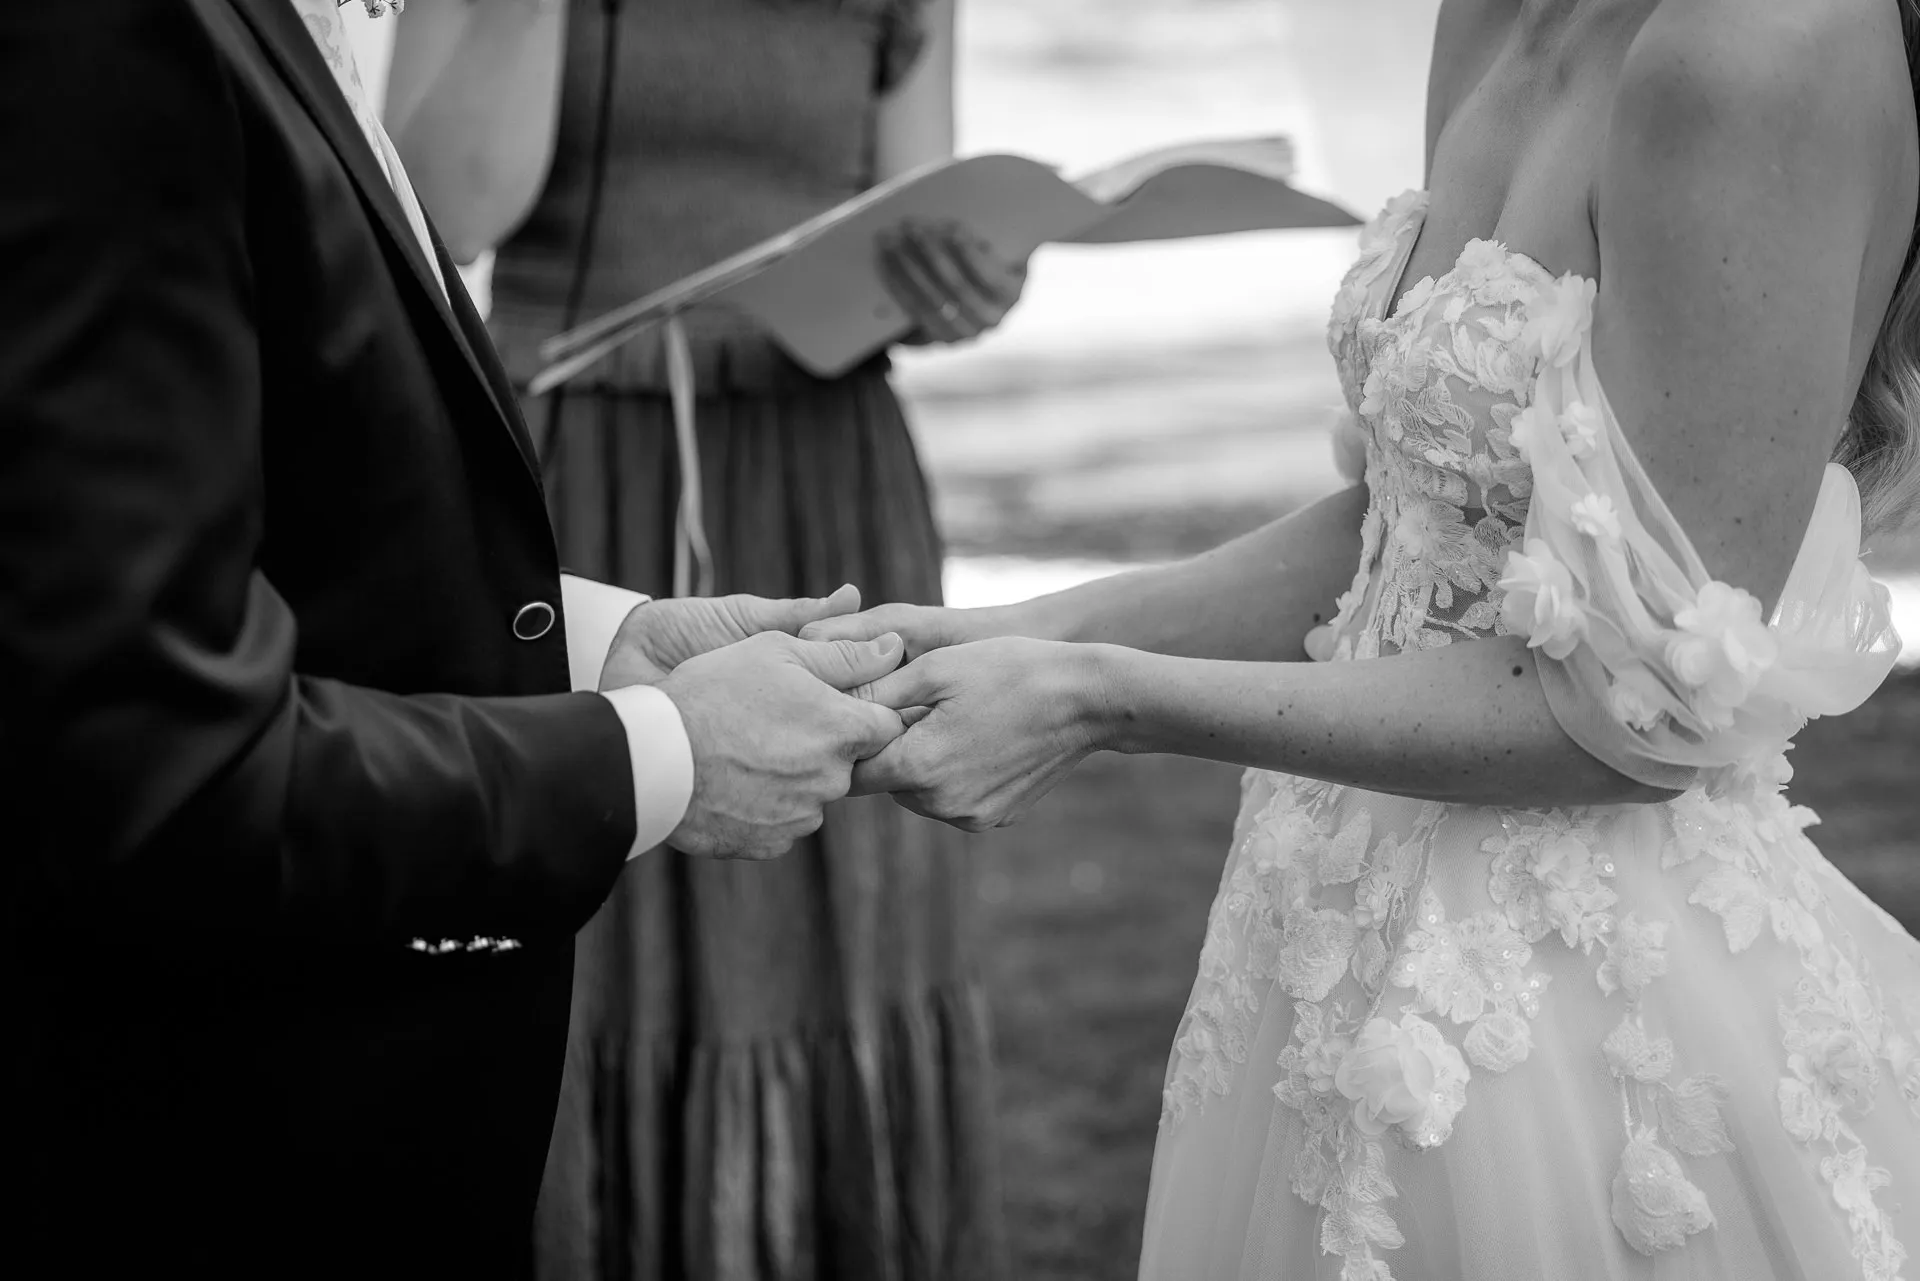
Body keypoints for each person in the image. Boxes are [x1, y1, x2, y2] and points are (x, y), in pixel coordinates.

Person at [806, 0, 1920, 1276]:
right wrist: (1017, 632)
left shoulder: (1763, 45)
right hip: (1317, 930)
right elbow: (1412, 523)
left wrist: (1099, 698)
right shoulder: (1496, 13)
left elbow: (1636, 715)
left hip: (1580, 1023)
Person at [0, 2, 913, 1276]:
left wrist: (611, 645)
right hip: (191, 1141)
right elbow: (156, 755)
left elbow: (264, 507)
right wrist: (657, 755)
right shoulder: (111, 41)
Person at [385, 4, 1022, 1277]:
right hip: (581, 474)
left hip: (824, 472)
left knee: (840, 923)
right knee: (599, 915)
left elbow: (907, 219)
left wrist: (965, 281)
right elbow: (449, 211)